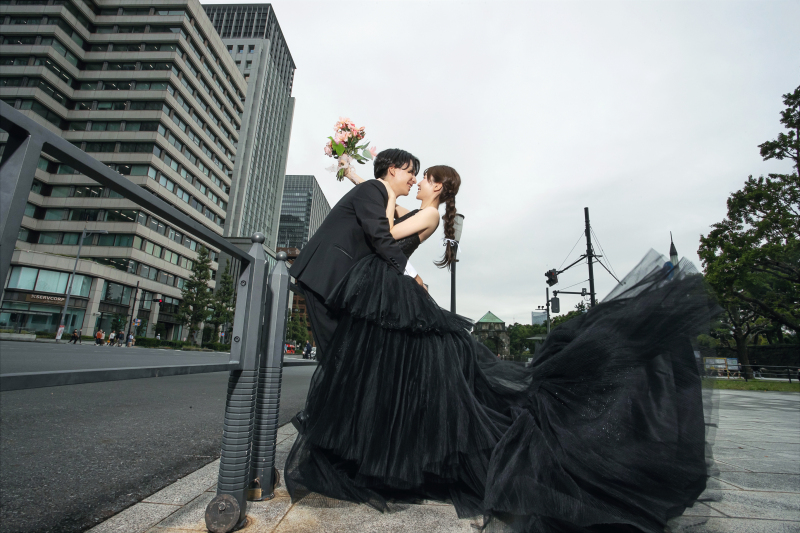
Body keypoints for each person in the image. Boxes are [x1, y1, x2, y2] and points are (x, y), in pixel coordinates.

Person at [284, 159, 718, 533]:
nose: (416, 181)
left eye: (424, 177)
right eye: (413, 175)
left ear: (438, 186)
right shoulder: (422, 207)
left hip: (397, 296)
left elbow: (388, 224)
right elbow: (386, 203)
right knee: (409, 383)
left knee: (448, 389)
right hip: (393, 292)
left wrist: (379, 186)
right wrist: (362, 169)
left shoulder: (429, 215)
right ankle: (388, 454)